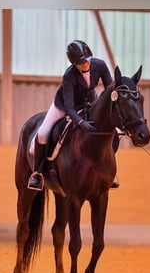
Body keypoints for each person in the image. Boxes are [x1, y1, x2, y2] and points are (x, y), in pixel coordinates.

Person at [27, 39, 119, 191]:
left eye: (88, 60)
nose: (87, 64)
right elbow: (69, 107)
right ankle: (37, 174)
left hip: (90, 102)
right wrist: (81, 123)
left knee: (113, 132)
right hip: (63, 105)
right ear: (74, 64)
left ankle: (107, 170)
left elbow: (109, 89)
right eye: (82, 63)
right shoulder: (69, 76)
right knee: (43, 134)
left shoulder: (100, 65)